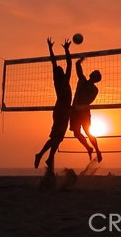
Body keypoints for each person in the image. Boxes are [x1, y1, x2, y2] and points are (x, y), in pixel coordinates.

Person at [35, 38, 72, 171]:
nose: (61, 70)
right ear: (60, 73)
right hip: (62, 110)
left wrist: (54, 48)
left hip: (62, 110)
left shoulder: (59, 80)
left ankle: (42, 155)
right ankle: (48, 158)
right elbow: (65, 63)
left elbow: (61, 63)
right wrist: (65, 50)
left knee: (56, 138)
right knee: (57, 137)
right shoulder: (62, 80)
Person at [69, 57, 103, 162]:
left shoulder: (94, 89)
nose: (92, 72)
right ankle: (88, 148)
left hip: (83, 111)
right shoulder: (82, 80)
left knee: (88, 132)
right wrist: (80, 60)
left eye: (94, 73)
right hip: (74, 110)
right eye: (93, 71)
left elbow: (89, 101)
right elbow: (77, 66)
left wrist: (80, 104)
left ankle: (97, 150)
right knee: (76, 133)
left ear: (95, 78)